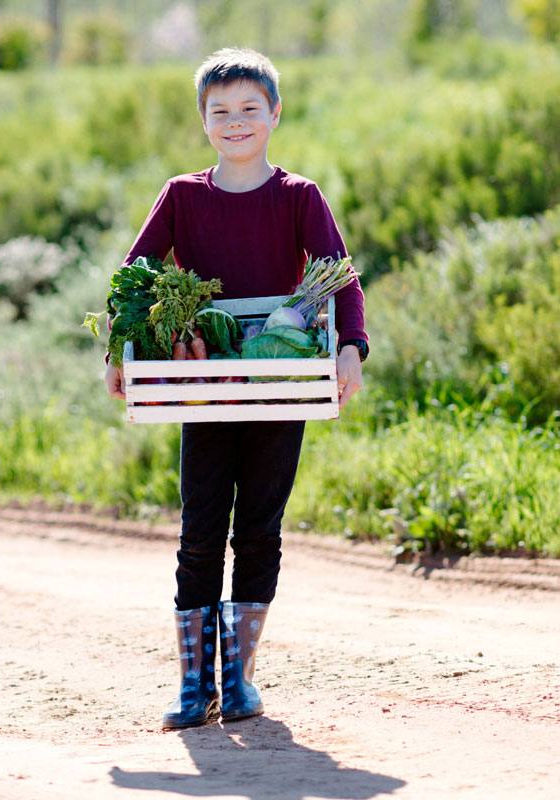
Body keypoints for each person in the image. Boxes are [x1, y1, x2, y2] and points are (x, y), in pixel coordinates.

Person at [104, 47, 369, 729]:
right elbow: (133, 275)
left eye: (251, 108)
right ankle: (194, 686)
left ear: (275, 114)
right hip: (204, 383)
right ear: (204, 121)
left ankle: (240, 680)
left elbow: (341, 277)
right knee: (199, 530)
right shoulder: (183, 195)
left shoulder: (299, 197)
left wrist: (349, 349)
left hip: (282, 383)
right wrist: (120, 350)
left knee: (259, 529)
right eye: (221, 111)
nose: (237, 121)